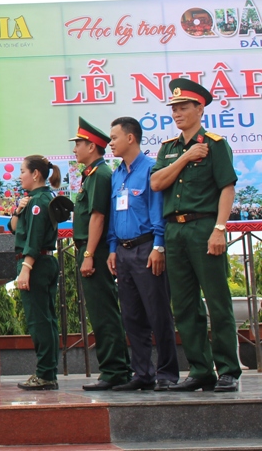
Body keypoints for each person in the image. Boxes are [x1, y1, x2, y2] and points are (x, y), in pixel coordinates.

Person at [150, 79, 240, 392]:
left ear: (199, 109)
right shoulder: (169, 149)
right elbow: (157, 183)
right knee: (185, 305)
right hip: (174, 230)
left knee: (217, 300)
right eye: (173, 108)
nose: (177, 113)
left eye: (183, 107)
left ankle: (228, 368)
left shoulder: (215, 144)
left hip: (204, 227)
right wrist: (186, 157)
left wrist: (219, 228)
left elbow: (227, 187)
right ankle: (201, 369)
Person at [106, 117, 180, 391]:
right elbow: (115, 214)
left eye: (114, 137)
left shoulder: (151, 169)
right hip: (123, 253)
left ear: (130, 138)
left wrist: (159, 245)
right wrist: (112, 248)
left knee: (158, 313)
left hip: (148, 248)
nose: (110, 143)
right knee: (132, 316)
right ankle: (142, 374)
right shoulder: (117, 174)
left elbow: (157, 209)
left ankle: (167, 374)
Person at [68, 118, 131, 390]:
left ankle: (114, 370)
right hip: (92, 249)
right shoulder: (93, 174)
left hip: (96, 250)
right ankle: (116, 369)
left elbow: (97, 217)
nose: (74, 150)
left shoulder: (100, 175)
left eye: (78, 144)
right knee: (101, 311)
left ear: (92, 147)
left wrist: (89, 254)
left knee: (104, 312)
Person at [10, 155, 62, 390]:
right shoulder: (32, 200)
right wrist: (18, 209)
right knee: (46, 319)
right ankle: (48, 372)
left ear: (36, 174)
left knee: (39, 321)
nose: (19, 175)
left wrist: (26, 268)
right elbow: (14, 228)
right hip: (41, 262)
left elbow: (34, 238)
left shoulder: (40, 200)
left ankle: (45, 374)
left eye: (22, 171)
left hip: (37, 263)